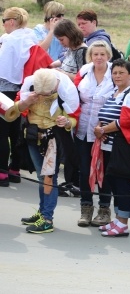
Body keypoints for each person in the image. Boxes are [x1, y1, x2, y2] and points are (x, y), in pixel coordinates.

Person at [4, 69, 79, 233]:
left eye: (48, 93)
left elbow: (74, 118)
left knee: (48, 178)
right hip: (32, 137)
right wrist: (25, 102)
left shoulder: (65, 91)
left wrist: (66, 122)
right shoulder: (30, 85)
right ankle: (42, 212)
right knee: (41, 176)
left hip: (53, 140)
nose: (44, 96)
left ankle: (47, 218)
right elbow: (12, 113)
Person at [94, 59, 130, 237]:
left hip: (126, 147)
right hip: (110, 146)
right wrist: (99, 128)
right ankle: (118, 220)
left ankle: (123, 223)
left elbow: (126, 121)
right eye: (115, 73)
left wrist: (102, 129)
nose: (117, 76)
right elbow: (106, 115)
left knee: (123, 183)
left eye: (121, 73)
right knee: (114, 183)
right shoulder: (115, 92)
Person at [75, 41, 114, 227]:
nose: (98, 57)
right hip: (83, 130)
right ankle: (86, 209)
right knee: (84, 171)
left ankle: (104, 209)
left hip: (106, 132)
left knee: (104, 172)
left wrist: (107, 127)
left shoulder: (115, 74)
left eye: (102, 54)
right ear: (90, 56)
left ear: (108, 55)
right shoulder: (84, 72)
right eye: (95, 54)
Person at [1, 7, 39, 186]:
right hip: (21, 91)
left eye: (3, 22)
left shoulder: (8, 40)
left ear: (10, 21)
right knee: (16, 132)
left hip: (3, 90)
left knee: (1, 133)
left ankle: (2, 173)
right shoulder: (30, 37)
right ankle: (14, 169)